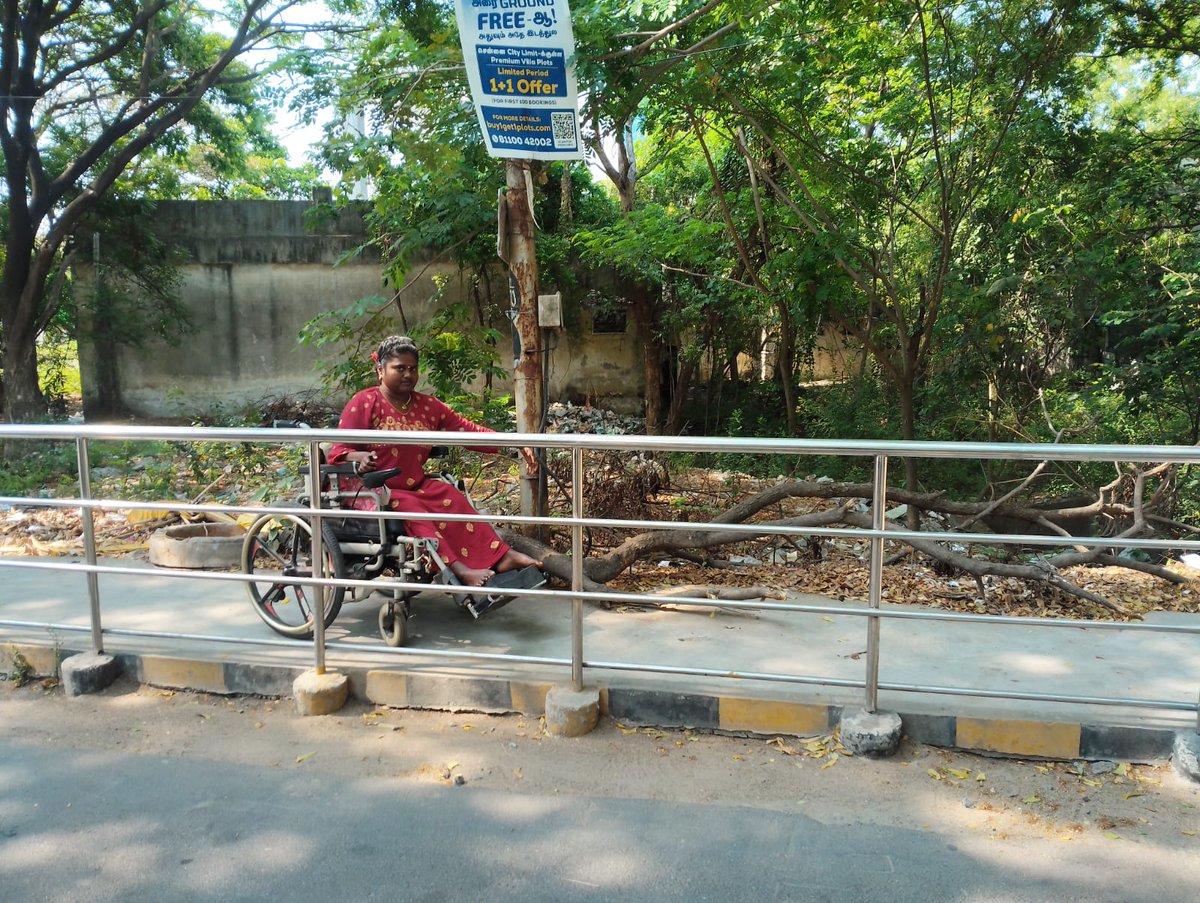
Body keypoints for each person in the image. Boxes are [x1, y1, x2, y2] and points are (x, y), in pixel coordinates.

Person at [326, 335, 542, 589]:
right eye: (400, 368)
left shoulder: (428, 406)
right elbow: (337, 450)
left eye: (413, 369)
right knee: (410, 504)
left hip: (413, 485)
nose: (408, 374)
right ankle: (459, 571)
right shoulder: (364, 402)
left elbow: (466, 430)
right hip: (370, 489)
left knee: (450, 494)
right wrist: (358, 457)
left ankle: (501, 556)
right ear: (380, 370)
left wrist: (514, 442)